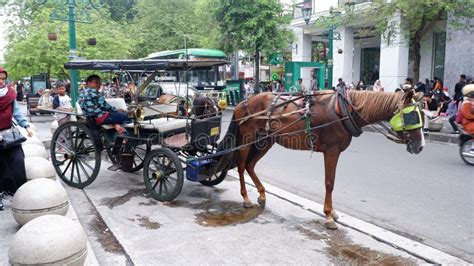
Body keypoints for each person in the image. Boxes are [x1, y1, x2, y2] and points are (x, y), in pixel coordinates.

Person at [0, 67, 34, 211]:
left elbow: (17, 112)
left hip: (8, 134)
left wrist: (26, 125)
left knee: (18, 161)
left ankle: (18, 193)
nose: (1, 81)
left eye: (3, 78)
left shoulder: (10, 93)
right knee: (1, 167)